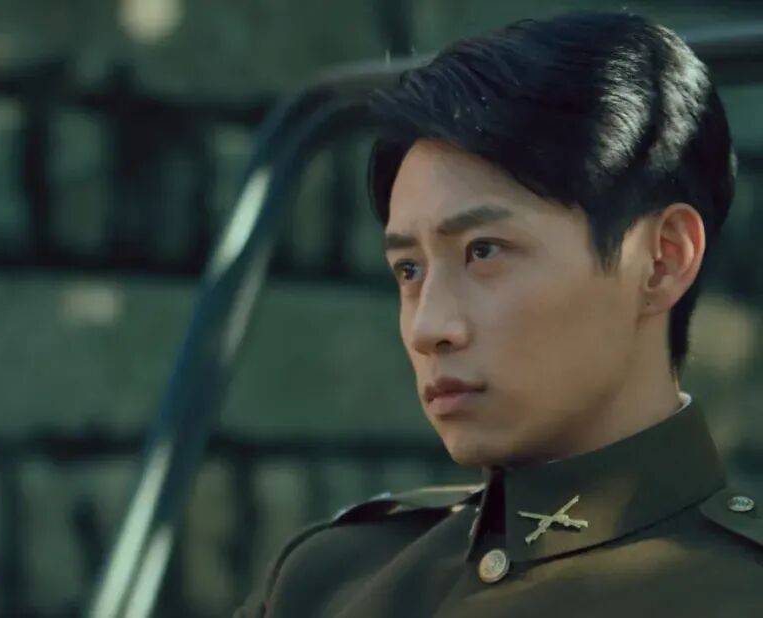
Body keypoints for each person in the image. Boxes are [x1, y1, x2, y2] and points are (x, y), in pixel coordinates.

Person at [235, 11, 761, 617]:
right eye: (409, 270)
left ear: (662, 260)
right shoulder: (324, 580)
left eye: (483, 251)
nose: (428, 328)